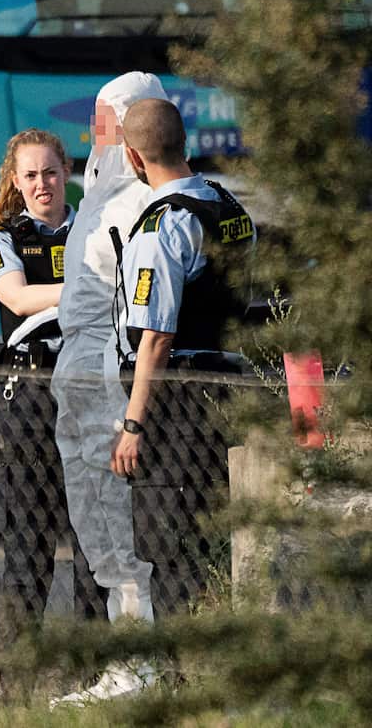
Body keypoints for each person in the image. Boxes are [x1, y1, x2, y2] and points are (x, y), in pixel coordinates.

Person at [49, 72, 168, 707]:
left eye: (103, 121)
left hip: (101, 373)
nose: (92, 134)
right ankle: (128, 665)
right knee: (90, 521)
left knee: (112, 525)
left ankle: (139, 670)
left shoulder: (135, 205)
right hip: (79, 369)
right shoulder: (103, 196)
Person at [110, 98, 254, 619]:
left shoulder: (162, 227)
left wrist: (133, 422)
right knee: (220, 535)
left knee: (169, 541)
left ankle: (180, 673)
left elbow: (155, 338)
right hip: (229, 387)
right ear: (185, 143)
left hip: (178, 403)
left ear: (132, 156)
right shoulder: (229, 208)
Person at [0, 129, 108, 694]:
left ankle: (92, 676)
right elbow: (17, 297)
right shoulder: (0, 236)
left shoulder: (94, 227)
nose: (41, 185)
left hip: (88, 389)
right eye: (29, 175)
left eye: (50, 173)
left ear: (67, 173)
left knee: (91, 543)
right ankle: (17, 686)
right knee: (28, 549)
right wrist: (86, 287)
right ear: (14, 181)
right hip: (28, 398)